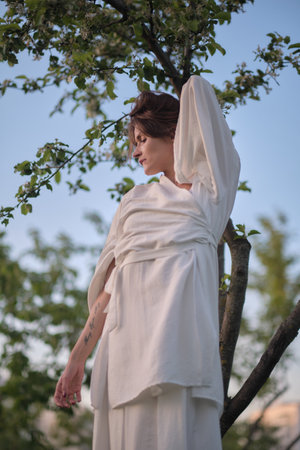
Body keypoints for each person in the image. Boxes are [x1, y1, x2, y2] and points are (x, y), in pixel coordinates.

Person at [54, 75, 240, 450]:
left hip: (182, 352)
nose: (134, 152)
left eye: (141, 139)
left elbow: (200, 95)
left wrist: (185, 90)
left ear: (174, 131)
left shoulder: (210, 195)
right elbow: (110, 292)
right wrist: (77, 360)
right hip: (125, 353)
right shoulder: (133, 202)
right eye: (133, 143)